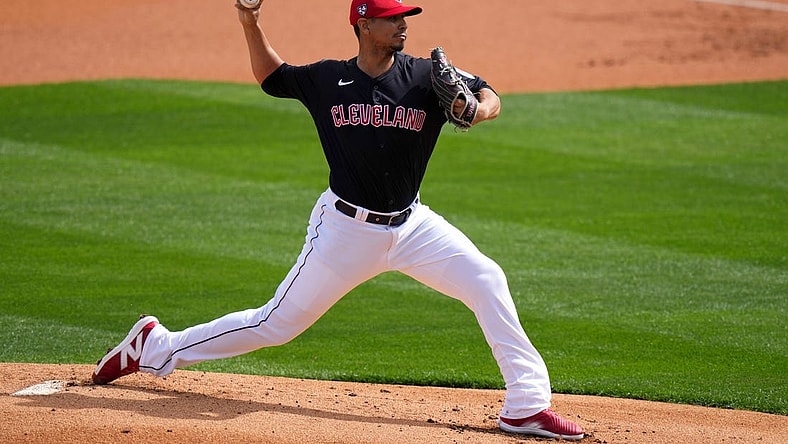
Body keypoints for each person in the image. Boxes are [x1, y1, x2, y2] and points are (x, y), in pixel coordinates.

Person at [91, 0, 584, 440]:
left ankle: (525, 405)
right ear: (363, 23)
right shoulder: (328, 79)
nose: (403, 26)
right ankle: (155, 345)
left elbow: (488, 95)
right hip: (344, 231)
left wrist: (476, 110)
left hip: (413, 227)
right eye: (392, 18)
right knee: (276, 324)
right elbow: (272, 77)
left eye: (405, 18)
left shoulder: (422, 76)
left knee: (486, 278)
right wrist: (250, 20)